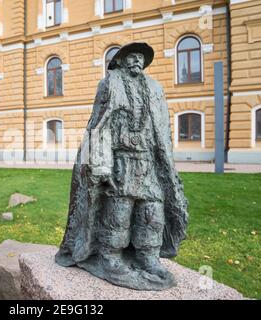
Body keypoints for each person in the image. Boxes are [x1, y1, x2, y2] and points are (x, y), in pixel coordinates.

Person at [55, 42, 189, 291]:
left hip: (148, 163)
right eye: (133, 56)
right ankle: (110, 258)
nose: (138, 60)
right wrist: (102, 166)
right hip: (121, 162)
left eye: (141, 57)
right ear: (122, 60)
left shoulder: (155, 89)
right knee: (118, 214)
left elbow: (163, 130)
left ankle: (148, 257)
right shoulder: (110, 84)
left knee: (152, 215)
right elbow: (99, 126)